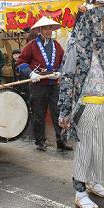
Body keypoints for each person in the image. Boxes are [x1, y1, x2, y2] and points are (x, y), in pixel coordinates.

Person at [58, 0, 104, 208]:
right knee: (84, 149)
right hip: (84, 106)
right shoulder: (77, 46)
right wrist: (65, 111)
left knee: (101, 146)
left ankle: (94, 182)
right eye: (99, 21)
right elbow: (66, 78)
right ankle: (79, 191)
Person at [17, 16, 72, 152]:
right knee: (39, 113)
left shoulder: (57, 45)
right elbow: (21, 62)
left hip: (53, 84)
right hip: (38, 84)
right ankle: (40, 141)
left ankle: (61, 140)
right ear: (40, 30)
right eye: (46, 29)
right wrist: (31, 73)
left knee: (58, 113)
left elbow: (62, 62)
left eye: (50, 29)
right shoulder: (31, 45)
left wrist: (59, 71)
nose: (48, 31)